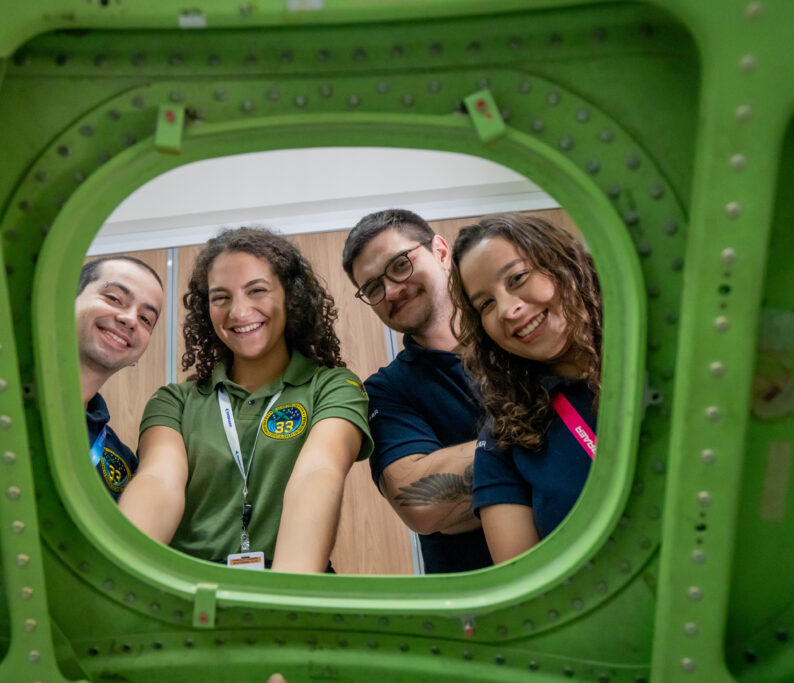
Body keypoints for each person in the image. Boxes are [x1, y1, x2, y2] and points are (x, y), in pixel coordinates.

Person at [120, 227, 372, 573]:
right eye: (220, 297)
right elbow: (158, 481)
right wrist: (125, 570)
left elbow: (318, 473)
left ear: (291, 296)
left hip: (288, 581)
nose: (239, 312)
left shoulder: (333, 387)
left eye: (257, 290)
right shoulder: (174, 402)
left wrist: (286, 593)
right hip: (189, 586)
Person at [342, 209, 492, 573]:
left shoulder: (517, 334)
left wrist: (470, 503)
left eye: (400, 265)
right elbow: (422, 506)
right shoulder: (385, 391)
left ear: (440, 251)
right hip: (477, 595)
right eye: (373, 288)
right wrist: (543, 439)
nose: (391, 290)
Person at [448, 213, 602, 563]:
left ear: (565, 264)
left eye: (517, 278)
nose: (507, 309)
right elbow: (524, 581)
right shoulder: (505, 440)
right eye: (486, 304)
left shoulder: (662, 359)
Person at [76, 256, 165, 500]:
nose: (130, 319)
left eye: (146, 319)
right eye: (114, 298)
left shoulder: (120, 462)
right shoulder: (3, 404)